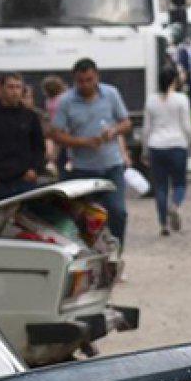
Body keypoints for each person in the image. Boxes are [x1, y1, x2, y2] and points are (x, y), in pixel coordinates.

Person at [50, 58, 133, 244]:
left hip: (111, 166)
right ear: (74, 80)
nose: (86, 85)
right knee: (82, 217)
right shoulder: (66, 101)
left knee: (118, 211)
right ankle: (88, 253)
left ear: (97, 77)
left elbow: (126, 122)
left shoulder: (111, 94)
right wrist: (83, 142)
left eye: (90, 80)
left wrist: (113, 131)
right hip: (82, 169)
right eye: (81, 81)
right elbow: (57, 135)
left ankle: (116, 253)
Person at [144, 68, 191, 236]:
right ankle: (175, 205)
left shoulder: (151, 100)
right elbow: (187, 126)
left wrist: (145, 149)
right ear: (174, 81)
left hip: (156, 145)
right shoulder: (181, 99)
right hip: (177, 144)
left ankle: (163, 224)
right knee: (179, 184)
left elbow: (147, 128)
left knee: (160, 187)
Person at [0, 73, 44, 202]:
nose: (15, 92)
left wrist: (35, 169)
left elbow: (38, 146)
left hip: (24, 179)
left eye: (18, 87)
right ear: (0, 89)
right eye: (10, 87)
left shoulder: (29, 116)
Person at [41, 76, 69, 175]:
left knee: (58, 147)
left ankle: (53, 162)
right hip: (60, 128)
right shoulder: (62, 99)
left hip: (59, 127)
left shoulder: (50, 101)